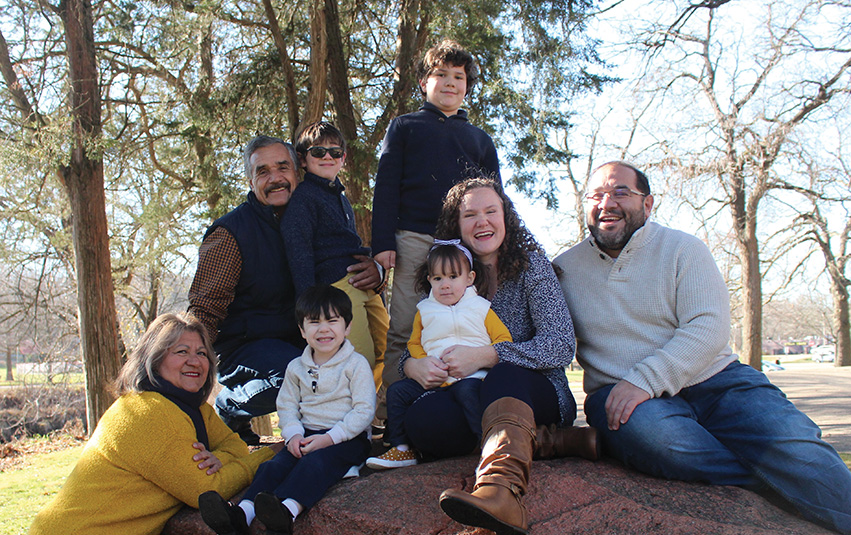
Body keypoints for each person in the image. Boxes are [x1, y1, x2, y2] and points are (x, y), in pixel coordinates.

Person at [554, 161, 851, 535]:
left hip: (717, 380)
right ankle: (775, 488)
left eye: (620, 193)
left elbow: (708, 327)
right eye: (596, 195)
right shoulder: (564, 269)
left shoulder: (683, 249)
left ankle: (799, 486)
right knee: (668, 446)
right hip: (621, 393)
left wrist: (646, 379)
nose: (606, 203)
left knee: (803, 453)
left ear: (648, 205)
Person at [396, 178, 598, 535]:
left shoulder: (532, 268)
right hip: (463, 393)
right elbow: (421, 337)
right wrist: (412, 365)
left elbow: (560, 345)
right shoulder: (445, 273)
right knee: (423, 420)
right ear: (455, 226)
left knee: (502, 375)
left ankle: (501, 493)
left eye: (492, 211)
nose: (482, 221)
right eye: (470, 214)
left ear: (506, 217)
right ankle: (551, 441)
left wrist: (489, 355)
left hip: (533, 390)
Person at [188, 135, 381, 445]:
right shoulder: (231, 234)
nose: (275, 178)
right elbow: (203, 312)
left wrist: (375, 272)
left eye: (282, 167)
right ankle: (231, 405)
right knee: (297, 377)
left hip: (302, 336)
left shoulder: (316, 217)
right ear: (250, 180)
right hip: (248, 345)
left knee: (346, 365)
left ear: (298, 171)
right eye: (262, 171)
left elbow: (345, 259)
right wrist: (190, 369)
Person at [29, 313, 283, 535]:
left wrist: (219, 458)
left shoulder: (195, 409)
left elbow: (235, 446)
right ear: (155, 359)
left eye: (202, 353)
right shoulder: (146, 413)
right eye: (181, 352)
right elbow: (206, 491)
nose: (194, 361)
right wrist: (266, 456)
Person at [371, 40, 501, 397]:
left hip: (465, 244)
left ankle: (468, 402)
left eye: (458, 77)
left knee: (472, 321)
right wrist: (382, 244)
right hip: (414, 238)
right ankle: (395, 410)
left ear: (467, 87)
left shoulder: (480, 139)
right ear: (424, 82)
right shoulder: (404, 127)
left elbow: (496, 200)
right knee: (404, 325)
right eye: (440, 74)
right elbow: (385, 188)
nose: (450, 83)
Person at [198, 285, 375, 535]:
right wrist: (293, 434)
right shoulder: (296, 367)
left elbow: (364, 411)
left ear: (347, 327)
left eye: (332, 321)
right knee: (273, 466)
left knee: (314, 465)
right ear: (302, 330)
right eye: (314, 323)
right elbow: (287, 405)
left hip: (346, 438)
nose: (323, 329)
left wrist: (329, 438)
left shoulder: (355, 365)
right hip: (303, 435)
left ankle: (287, 512)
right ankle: (241, 514)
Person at [365, 240, 512, 470]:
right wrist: (424, 362)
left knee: (467, 393)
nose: (445, 285)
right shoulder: (425, 310)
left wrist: (478, 358)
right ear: (429, 281)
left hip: (472, 377)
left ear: (470, 278)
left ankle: (489, 445)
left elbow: (504, 340)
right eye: (438, 278)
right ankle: (402, 448)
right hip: (435, 379)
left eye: (453, 277)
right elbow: (414, 343)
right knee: (397, 392)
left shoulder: (481, 308)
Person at [282, 121, 389, 387]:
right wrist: (311, 308)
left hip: (365, 285)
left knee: (390, 348)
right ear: (303, 160)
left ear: (343, 158)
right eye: (318, 152)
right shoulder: (303, 200)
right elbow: (300, 256)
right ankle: (350, 422)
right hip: (339, 289)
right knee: (358, 357)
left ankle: (370, 414)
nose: (327, 157)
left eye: (335, 152)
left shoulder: (340, 198)